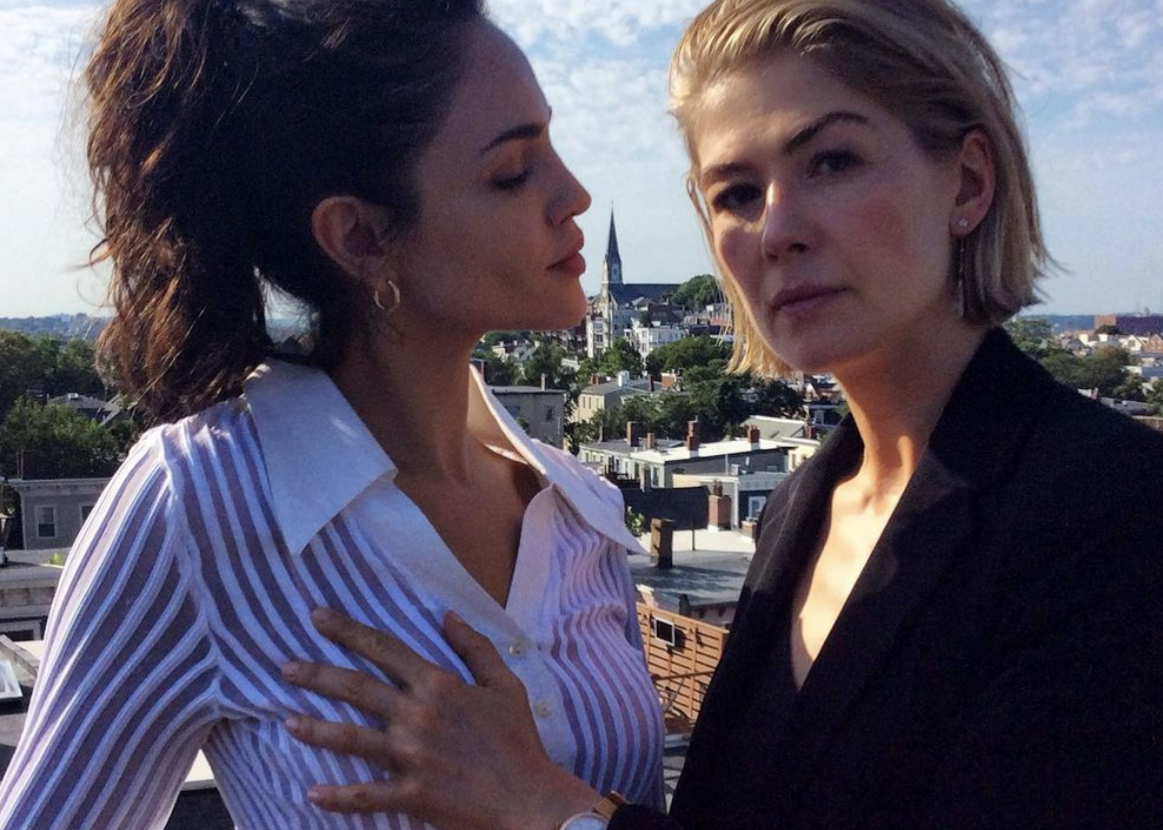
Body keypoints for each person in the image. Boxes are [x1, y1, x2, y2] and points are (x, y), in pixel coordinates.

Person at [278, 0, 1163, 828]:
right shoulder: (801, 509)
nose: (777, 230)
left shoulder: (1123, 513)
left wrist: (544, 807)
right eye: (735, 193)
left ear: (969, 182)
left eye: (831, 161)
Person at [0, 0, 666, 827]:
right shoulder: (201, 503)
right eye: (512, 171)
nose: (574, 194)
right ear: (360, 237)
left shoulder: (578, 512)